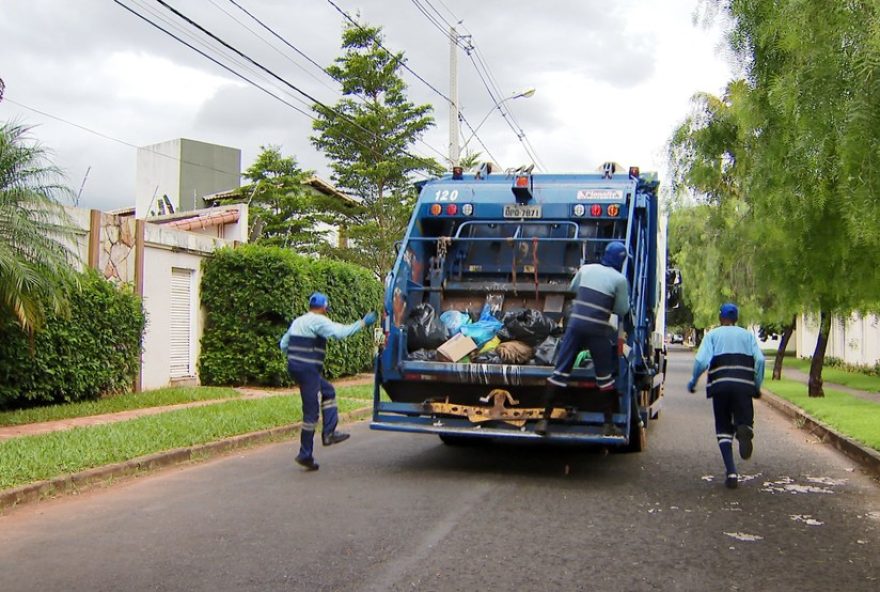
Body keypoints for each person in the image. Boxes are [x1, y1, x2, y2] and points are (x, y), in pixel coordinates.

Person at [536, 241, 630, 437]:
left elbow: (573, 288)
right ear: (621, 261)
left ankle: (543, 421)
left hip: (575, 326)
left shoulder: (586, 269)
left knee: (560, 373)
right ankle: (608, 424)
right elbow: (622, 309)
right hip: (597, 330)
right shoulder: (620, 280)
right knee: (604, 377)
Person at [279, 292, 377, 471]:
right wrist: (362, 323)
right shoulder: (319, 320)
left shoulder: (298, 321)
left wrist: (296, 358)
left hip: (298, 368)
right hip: (308, 369)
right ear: (324, 307)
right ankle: (306, 453)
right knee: (311, 414)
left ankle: (328, 432)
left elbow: (283, 344)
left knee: (328, 391)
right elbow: (339, 333)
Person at [687, 303, 765, 489]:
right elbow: (760, 360)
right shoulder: (748, 336)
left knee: (722, 426)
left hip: (720, 386)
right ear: (736, 318)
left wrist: (693, 380)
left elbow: (701, 361)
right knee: (745, 418)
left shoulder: (712, 335)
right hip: (743, 386)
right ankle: (743, 427)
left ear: (720, 318)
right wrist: (756, 384)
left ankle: (731, 472)